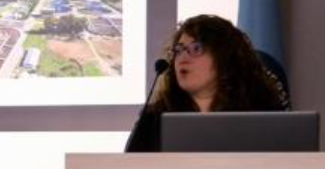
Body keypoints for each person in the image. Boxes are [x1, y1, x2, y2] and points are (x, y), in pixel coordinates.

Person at [124, 14, 289, 152]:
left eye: (196, 49)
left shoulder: (262, 114)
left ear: (225, 59)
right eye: (178, 50)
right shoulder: (154, 118)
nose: (182, 58)